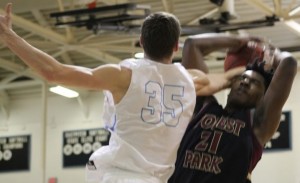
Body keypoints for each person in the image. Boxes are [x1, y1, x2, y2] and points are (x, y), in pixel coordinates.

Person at [0, 3, 244, 183]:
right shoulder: (191, 80)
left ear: (141, 41)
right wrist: (261, 61)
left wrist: (10, 37)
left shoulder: (122, 75)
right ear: (176, 46)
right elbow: (224, 80)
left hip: (117, 175)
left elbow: (55, 72)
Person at [168, 33, 298, 183]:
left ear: (263, 97)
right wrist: (239, 41)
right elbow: (192, 45)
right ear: (231, 83)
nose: (245, 83)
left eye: (254, 83)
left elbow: (289, 63)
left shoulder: (258, 124)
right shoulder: (202, 107)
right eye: (242, 78)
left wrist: (271, 53)